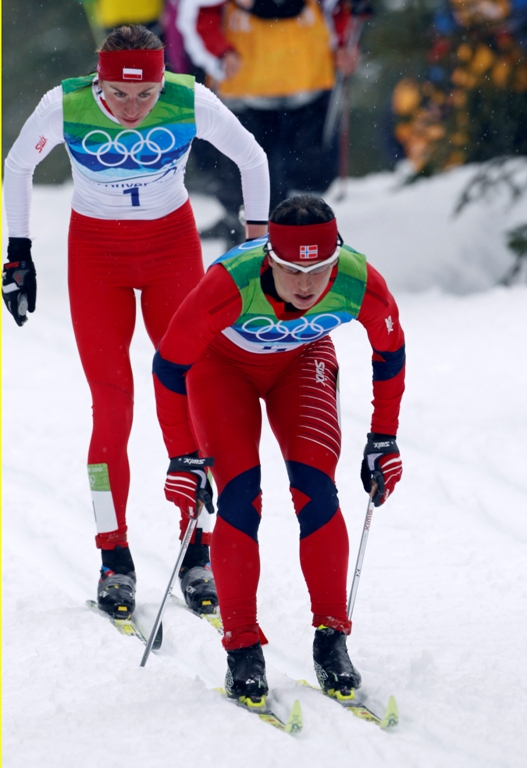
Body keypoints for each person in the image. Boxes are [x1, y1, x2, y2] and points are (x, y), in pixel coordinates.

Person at [2, 24, 269, 621]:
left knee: (189, 395)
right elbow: (17, 166)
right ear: (99, 80)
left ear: (160, 81)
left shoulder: (188, 97)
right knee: (112, 405)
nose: (132, 108)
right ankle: (112, 555)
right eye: (118, 96)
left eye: (144, 95)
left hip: (172, 251)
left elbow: (252, 157)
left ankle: (197, 548)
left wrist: (258, 245)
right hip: (96, 257)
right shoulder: (64, 103)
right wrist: (18, 251)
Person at [152, 194, 405, 702]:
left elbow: (390, 352)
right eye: (293, 271)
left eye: (321, 269)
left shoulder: (358, 281)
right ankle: (242, 646)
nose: (308, 285)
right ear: (269, 257)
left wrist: (383, 437)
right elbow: (169, 367)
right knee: (241, 497)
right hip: (221, 369)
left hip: (302, 361)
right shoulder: (228, 283)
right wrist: (182, 457)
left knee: (316, 490)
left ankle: (332, 639)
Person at [176, 0, 366, 248]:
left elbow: (339, 10)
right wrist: (220, 54)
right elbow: (199, 16)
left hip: (307, 89)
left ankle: (299, 244)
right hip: (247, 93)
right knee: (245, 180)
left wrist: (344, 46)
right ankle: (245, 251)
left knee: (304, 176)